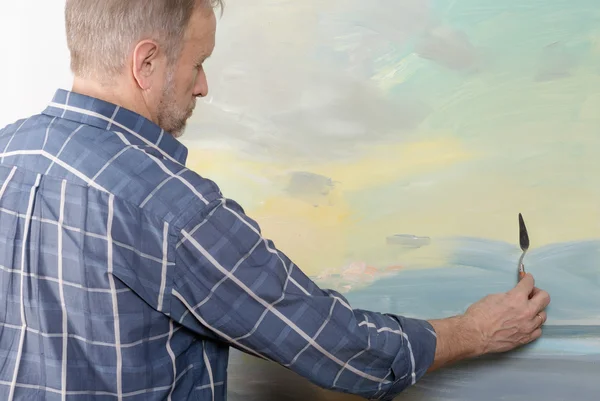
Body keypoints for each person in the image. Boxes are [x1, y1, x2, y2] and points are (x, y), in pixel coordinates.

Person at [0, 0, 550, 400]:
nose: (203, 86)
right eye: (197, 63)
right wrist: (472, 332)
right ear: (146, 64)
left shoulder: (9, 153)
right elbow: (331, 342)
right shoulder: (168, 207)